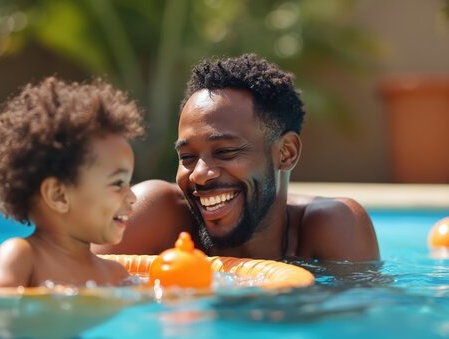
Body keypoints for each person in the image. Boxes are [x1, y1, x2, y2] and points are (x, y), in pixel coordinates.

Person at [93, 54, 380, 262]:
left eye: (226, 152)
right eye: (187, 156)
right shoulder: (154, 214)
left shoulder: (332, 227)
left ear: (286, 152)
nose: (199, 174)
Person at [0, 76, 144, 290]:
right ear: (58, 195)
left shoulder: (115, 275)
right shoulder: (22, 256)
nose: (132, 197)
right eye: (118, 183)